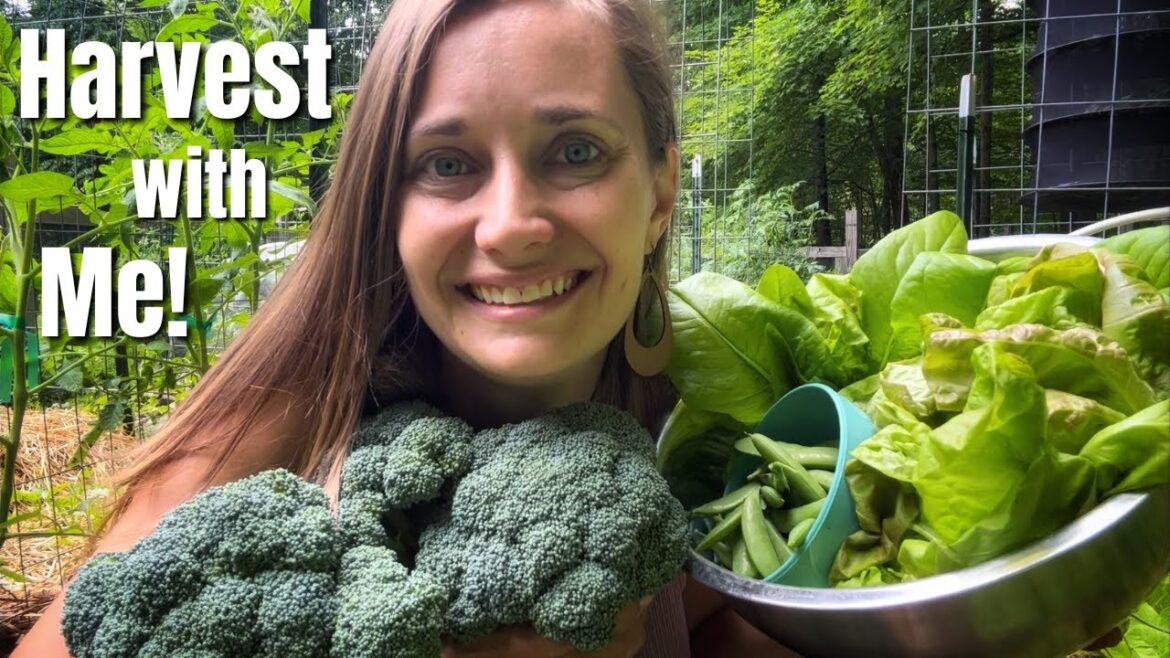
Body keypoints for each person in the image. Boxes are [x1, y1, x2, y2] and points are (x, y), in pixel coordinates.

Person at [13, 1, 800, 656]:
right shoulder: (292, 414)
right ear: (386, 206)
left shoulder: (715, 421)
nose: (510, 226)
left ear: (660, 191)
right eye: (447, 164)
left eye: (575, 150)